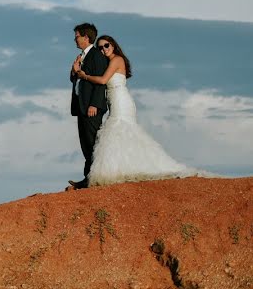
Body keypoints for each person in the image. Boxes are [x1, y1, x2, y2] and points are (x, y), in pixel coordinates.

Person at [73, 35, 211, 186]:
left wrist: (84, 76)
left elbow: (103, 80)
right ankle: (119, 169)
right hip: (113, 100)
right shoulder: (106, 62)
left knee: (119, 130)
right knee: (119, 135)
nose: (103, 49)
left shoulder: (116, 60)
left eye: (106, 45)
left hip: (121, 100)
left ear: (113, 45)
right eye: (100, 48)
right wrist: (77, 71)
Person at [68, 23, 109, 189]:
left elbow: (101, 83)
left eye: (77, 36)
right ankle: (88, 177)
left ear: (86, 37)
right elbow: (77, 80)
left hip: (91, 107)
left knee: (92, 143)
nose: (74, 39)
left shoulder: (96, 56)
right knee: (85, 143)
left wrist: (94, 104)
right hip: (81, 106)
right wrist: (74, 71)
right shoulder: (82, 56)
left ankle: (93, 178)